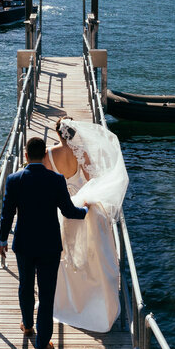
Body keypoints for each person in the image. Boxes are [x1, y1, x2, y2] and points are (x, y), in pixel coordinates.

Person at [0, 135, 89, 349]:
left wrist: (2, 241)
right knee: (46, 294)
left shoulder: (13, 179)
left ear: (26, 155)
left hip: (24, 244)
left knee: (25, 285)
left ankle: (28, 325)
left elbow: (7, 214)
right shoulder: (56, 180)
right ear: (44, 154)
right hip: (49, 245)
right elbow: (69, 211)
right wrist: (86, 211)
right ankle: (41, 345)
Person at [46, 117, 129, 332]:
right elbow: (93, 181)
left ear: (58, 134)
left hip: (58, 209)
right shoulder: (81, 154)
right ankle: (92, 298)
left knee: (64, 254)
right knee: (89, 253)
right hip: (81, 208)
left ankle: (65, 300)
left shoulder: (48, 154)